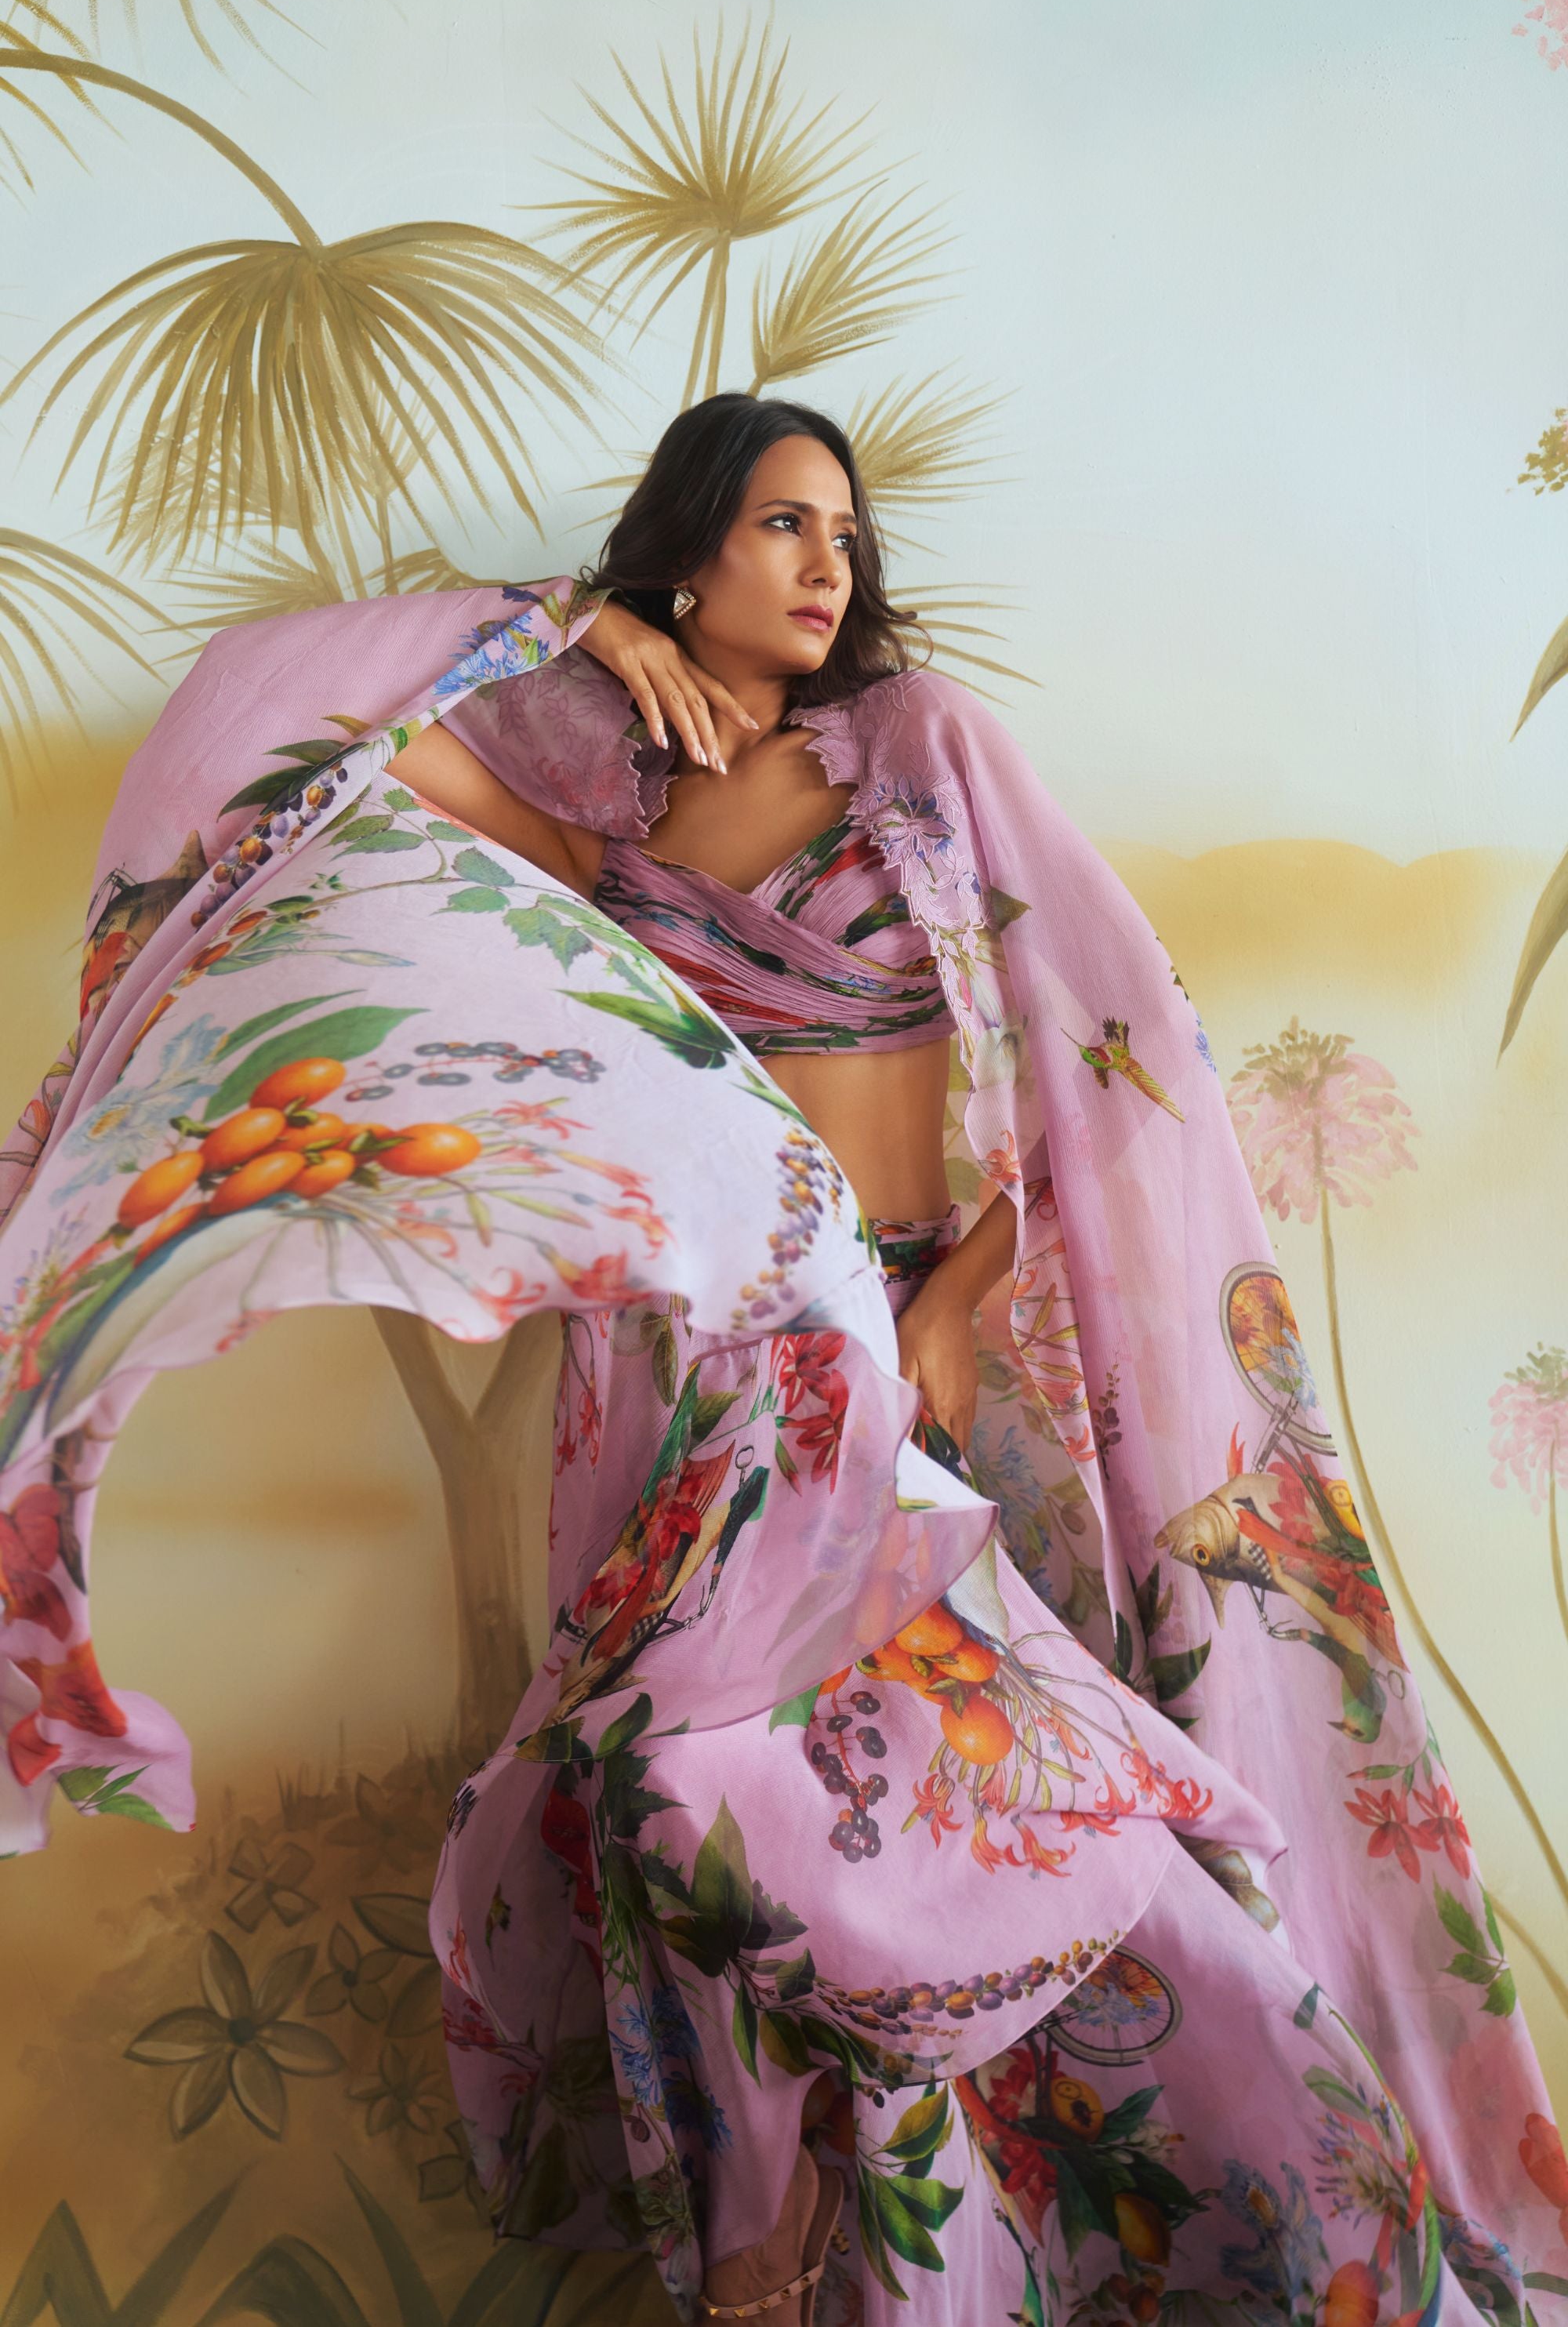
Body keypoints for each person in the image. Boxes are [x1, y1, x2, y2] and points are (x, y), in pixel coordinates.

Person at [0, 394, 1560, 2324]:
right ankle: (817, 2260)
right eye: (779, 525)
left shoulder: (915, 744)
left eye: (844, 532)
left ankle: (1275, 2214)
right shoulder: (595, 793)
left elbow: (1123, 1056)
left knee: (957, 1800)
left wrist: (956, 1300)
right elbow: (279, 748)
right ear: (684, 551)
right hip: (705, 1370)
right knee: (694, 1796)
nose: (830, 565)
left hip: (913, 1344)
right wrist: (573, 627)